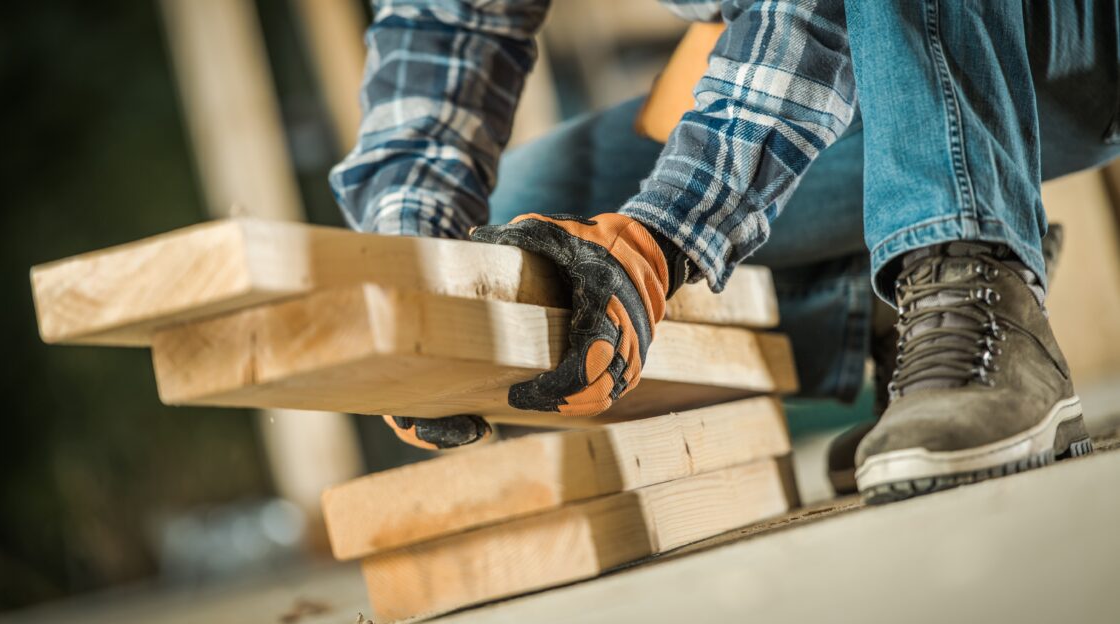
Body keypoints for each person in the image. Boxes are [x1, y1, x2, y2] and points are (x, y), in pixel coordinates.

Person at [329, 0, 1118, 503]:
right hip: (872, 47)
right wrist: (418, 279)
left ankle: (971, 266)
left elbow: (807, 17)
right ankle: (886, 291)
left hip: (1075, 44)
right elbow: (437, 36)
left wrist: (661, 235)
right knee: (511, 238)